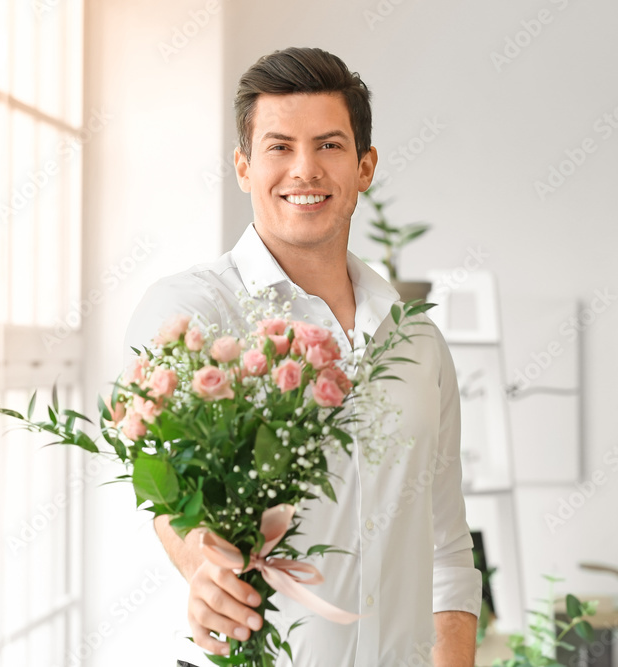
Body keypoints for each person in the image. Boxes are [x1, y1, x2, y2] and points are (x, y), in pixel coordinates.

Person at [123, 46, 481, 667]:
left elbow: (446, 548)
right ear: (243, 166)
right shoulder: (191, 314)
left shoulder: (416, 339)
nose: (305, 169)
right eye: (279, 146)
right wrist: (201, 564)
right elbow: (165, 488)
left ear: (365, 166)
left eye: (330, 146)